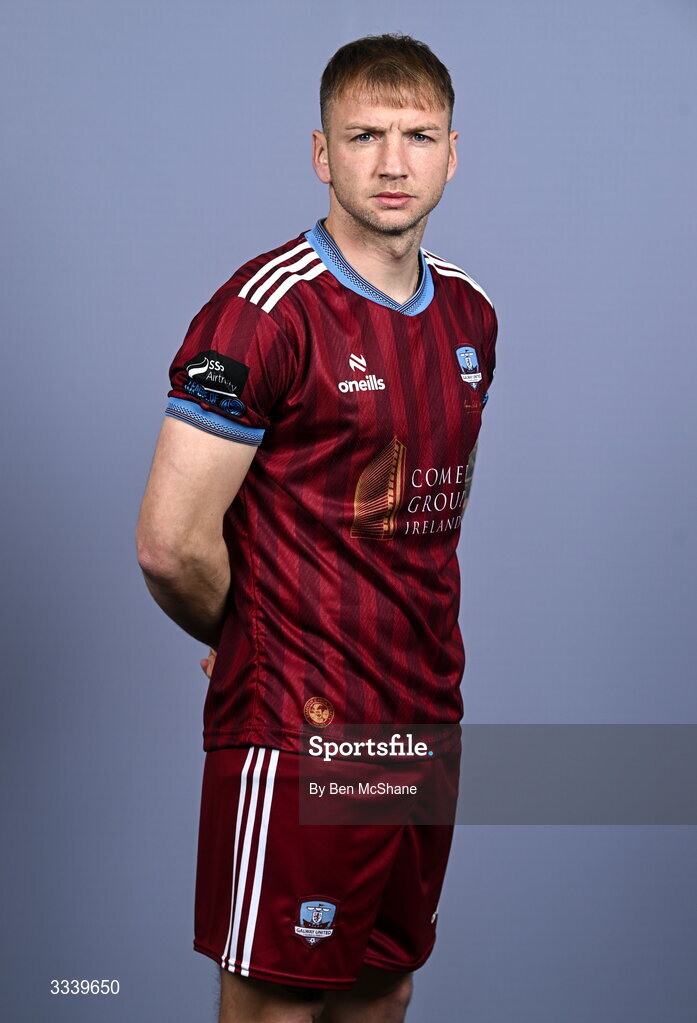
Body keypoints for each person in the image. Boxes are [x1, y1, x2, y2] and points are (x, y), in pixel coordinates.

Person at [136, 32, 497, 1023]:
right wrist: (248, 640)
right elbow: (170, 543)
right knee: (278, 1006)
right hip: (303, 728)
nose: (392, 162)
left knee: (386, 986)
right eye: (364, 135)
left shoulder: (470, 315)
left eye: (417, 135)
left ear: (451, 153)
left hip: (422, 717)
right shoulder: (264, 315)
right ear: (320, 153)